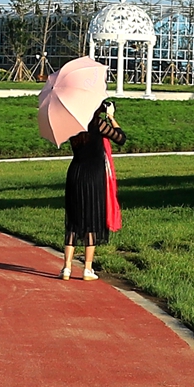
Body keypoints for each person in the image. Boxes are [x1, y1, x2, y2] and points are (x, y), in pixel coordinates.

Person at [61, 99, 124, 280]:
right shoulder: (98, 124)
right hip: (94, 176)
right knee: (92, 219)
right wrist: (111, 117)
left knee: (73, 220)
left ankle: (66, 267)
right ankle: (87, 268)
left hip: (75, 173)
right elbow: (121, 138)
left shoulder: (72, 125)